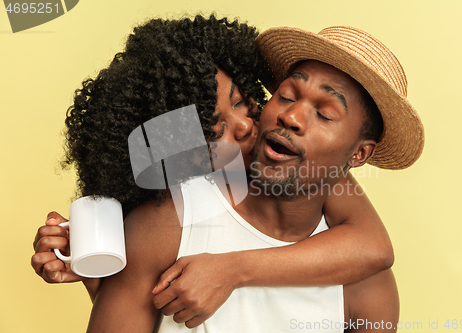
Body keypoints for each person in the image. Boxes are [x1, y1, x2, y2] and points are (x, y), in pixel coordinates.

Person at [31, 16, 404, 329]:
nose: (290, 116)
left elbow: (376, 248)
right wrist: (103, 266)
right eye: (287, 95)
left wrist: (231, 269)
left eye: (324, 114)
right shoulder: (164, 225)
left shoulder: (362, 278)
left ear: (359, 154)